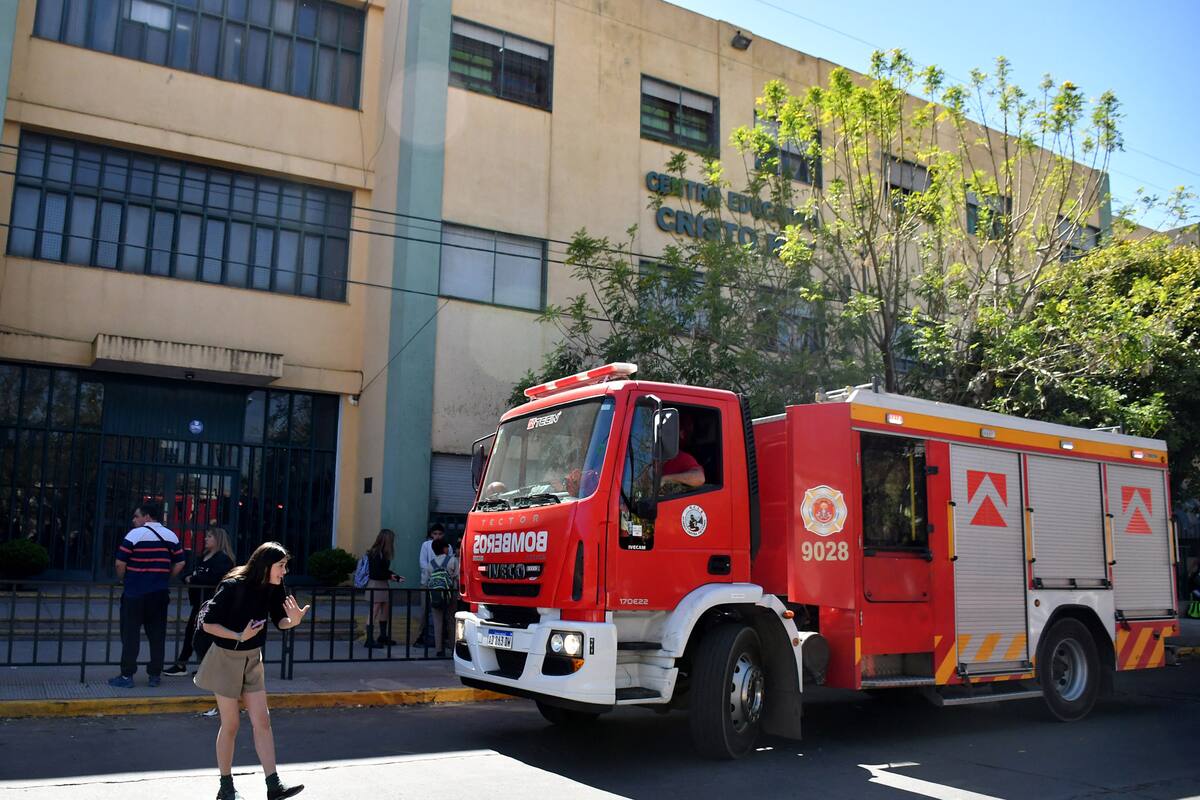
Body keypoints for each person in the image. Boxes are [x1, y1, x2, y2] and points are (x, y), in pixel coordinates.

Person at [196, 541, 310, 800]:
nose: (284, 571)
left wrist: (293, 621)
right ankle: (226, 788)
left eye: (285, 566)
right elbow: (208, 624)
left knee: (262, 720)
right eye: (281, 566)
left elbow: (280, 619)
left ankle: (274, 785)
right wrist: (239, 635)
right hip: (225, 658)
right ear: (266, 565)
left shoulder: (274, 586)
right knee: (231, 724)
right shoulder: (233, 586)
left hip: (252, 658)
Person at [108, 501, 185, 689]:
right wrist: (166, 578)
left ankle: (127, 675)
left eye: (137, 516)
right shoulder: (171, 535)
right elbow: (180, 562)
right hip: (159, 594)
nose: (133, 520)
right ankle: (154, 675)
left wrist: (123, 579)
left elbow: (119, 563)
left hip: (134, 593)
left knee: (130, 635)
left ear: (147, 517)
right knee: (157, 636)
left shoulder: (134, 535)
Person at [163, 524, 236, 676]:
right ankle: (188, 664)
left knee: (204, 634)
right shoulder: (204, 556)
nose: (205, 539)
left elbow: (212, 578)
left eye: (210, 536)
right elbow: (190, 573)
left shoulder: (223, 559)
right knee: (194, 632)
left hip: (212, 603)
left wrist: (194, 578)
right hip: (199, 602)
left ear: (218, 539)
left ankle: (197, 665)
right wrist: (190, 577)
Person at [363, 528, 404, 648]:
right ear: (386, 540)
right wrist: (391, 576)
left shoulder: (382, 553)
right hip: (376, 584)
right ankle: (369, 640)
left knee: (385, 610)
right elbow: (376, 573)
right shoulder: (375, 553)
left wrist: (395, 576)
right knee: (374, 611)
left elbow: (383, 571)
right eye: (391, 540)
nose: (393, 542)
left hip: (382, 584)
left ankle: (382, 636)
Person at [416, 524, 450, 646]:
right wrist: (435, 574)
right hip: (427, 583)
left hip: (443, 585)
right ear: (431, 534)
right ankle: (421, 635)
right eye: (435, 534)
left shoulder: (448, 546)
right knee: (425, 610)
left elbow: (449, 562)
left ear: (443, 535)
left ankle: (442, 637)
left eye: (440, 534)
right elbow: (422, 563)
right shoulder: (426, 545)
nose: (437, 536)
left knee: (443, 611)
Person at [428, 538, 459, 657]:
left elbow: (427, 580)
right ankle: (453, 648)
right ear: (445, 549)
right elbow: (457, 577)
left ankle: (439, 649)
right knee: (451, 620)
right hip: (450, 593)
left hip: (435, 595)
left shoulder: (431, 564)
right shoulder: (452, 560)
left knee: (437, 621)